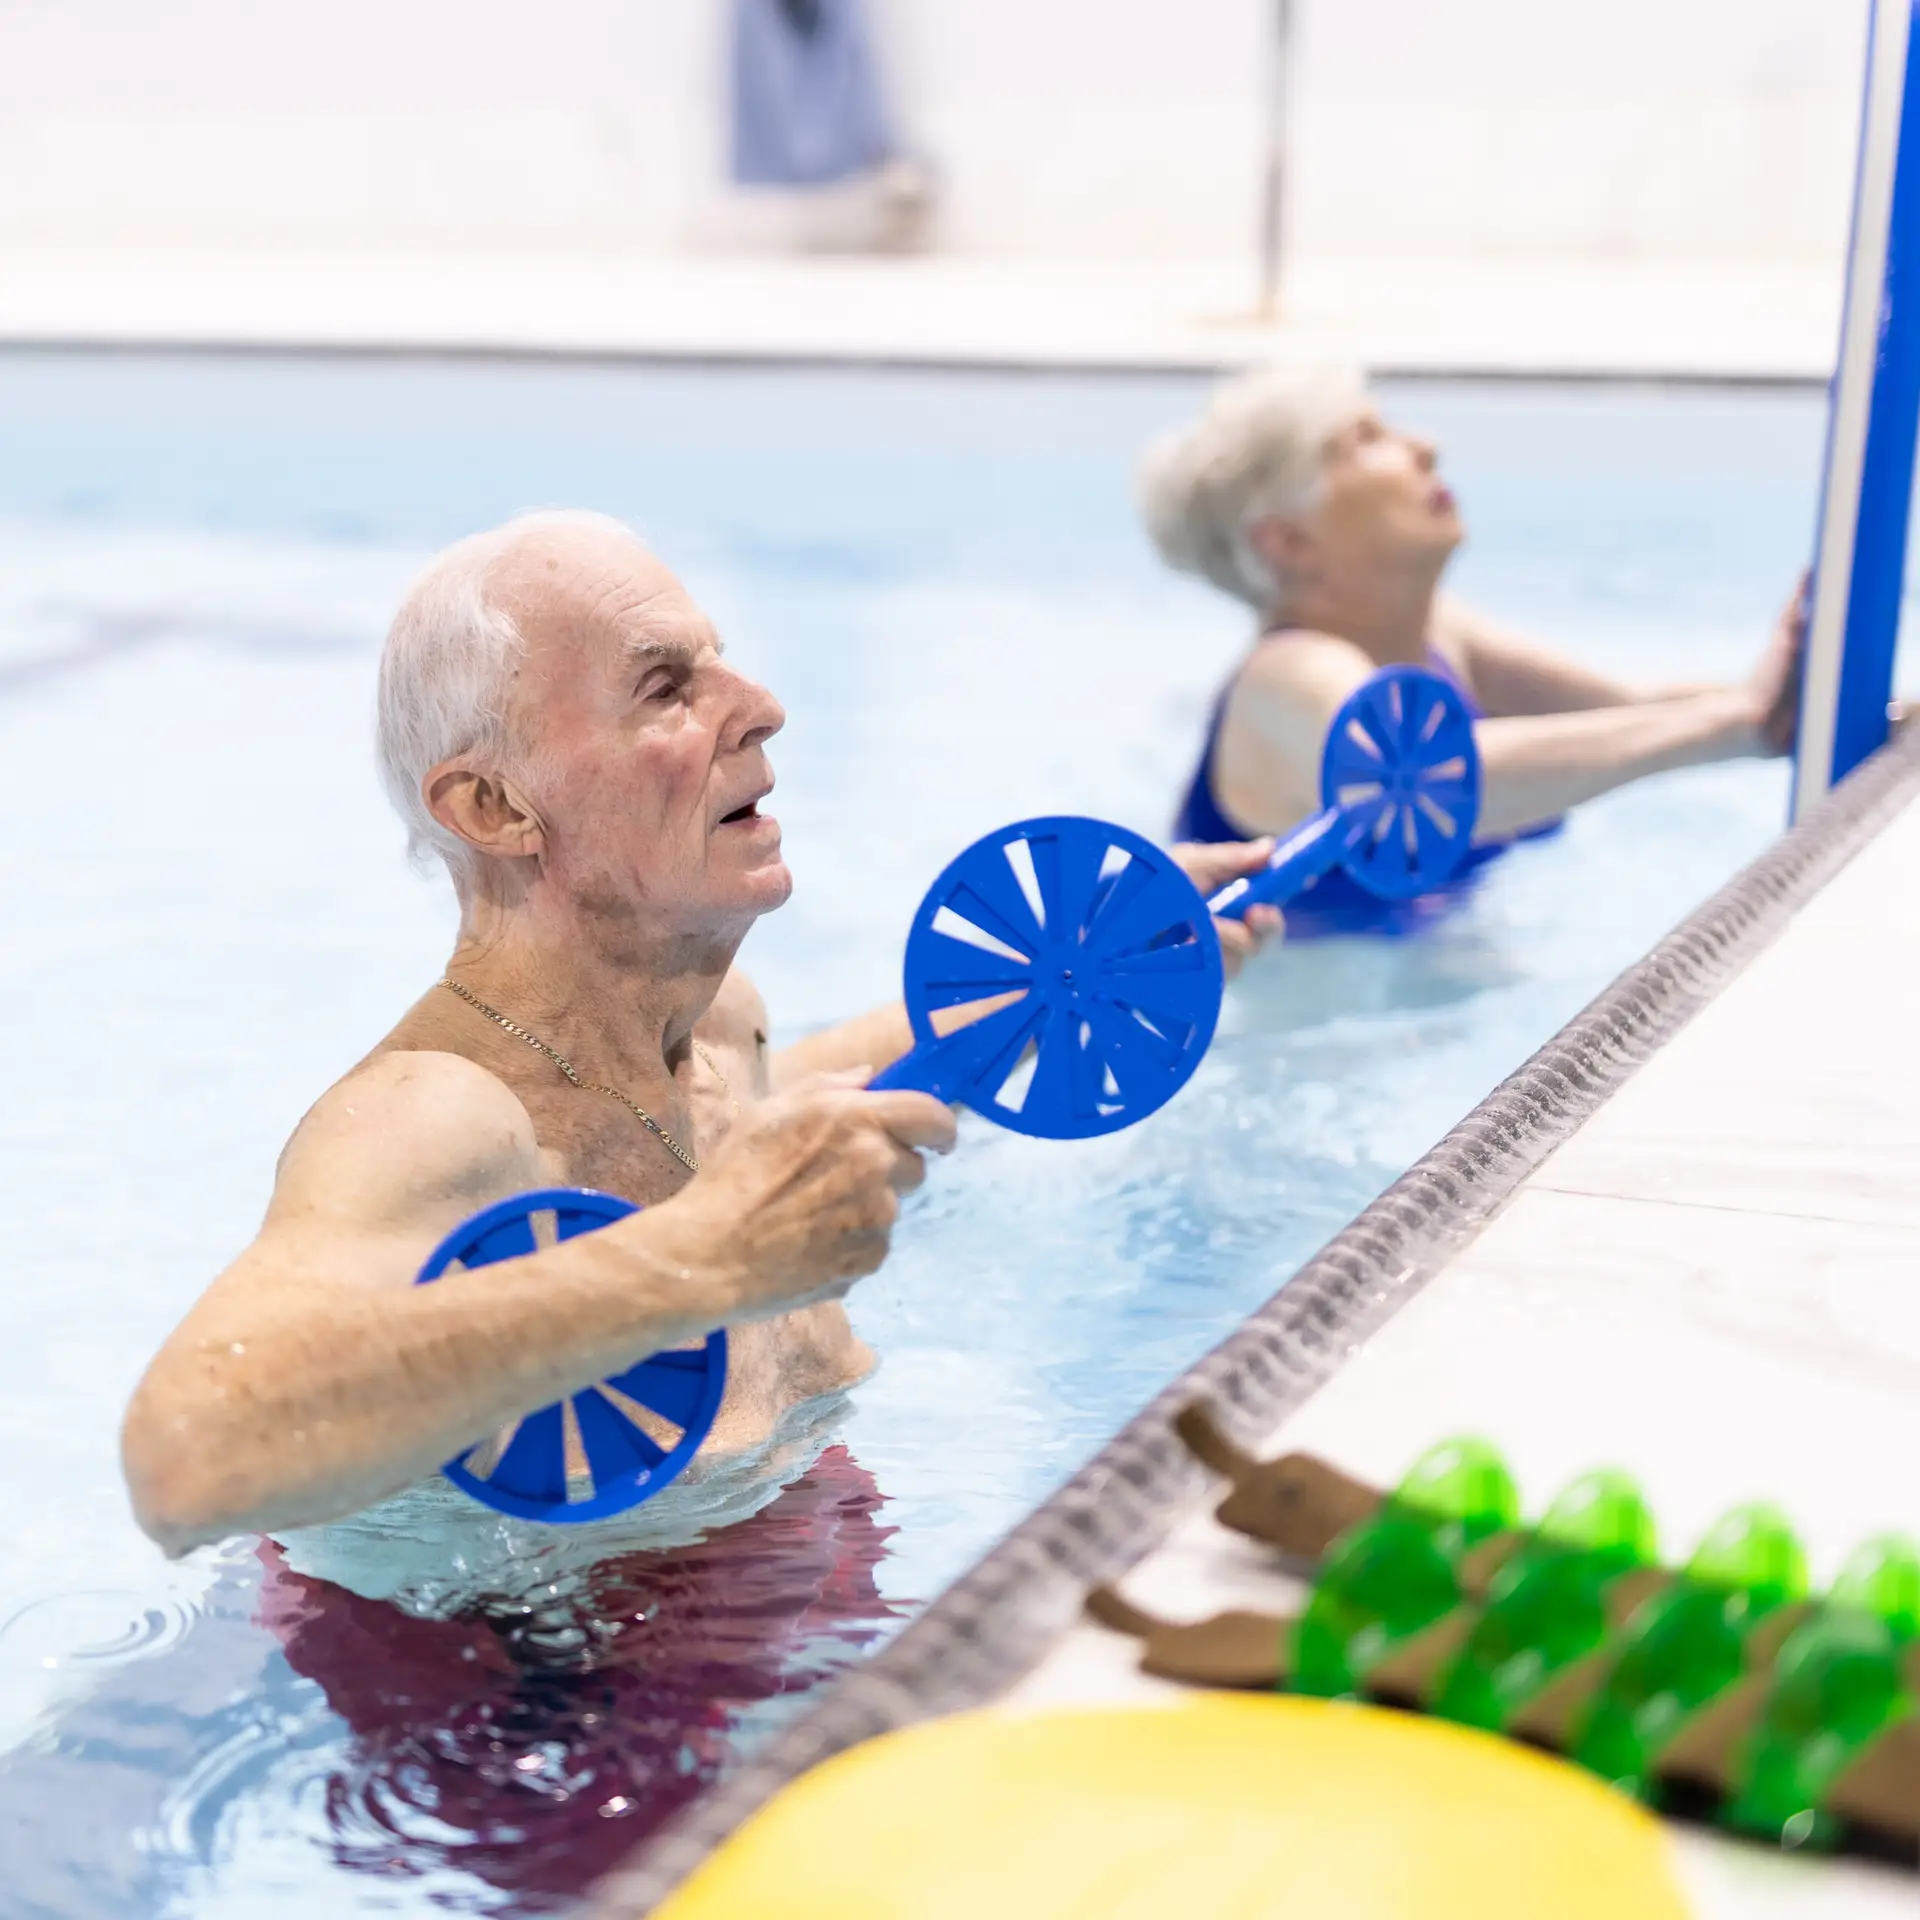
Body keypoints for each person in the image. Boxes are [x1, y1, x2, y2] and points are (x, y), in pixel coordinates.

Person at [120, 510, 1277, 1561]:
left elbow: (824, 1102)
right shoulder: (433, 1122)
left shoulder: (713, 1034)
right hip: (527, 1731)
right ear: (496, 808)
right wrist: (700, 1261)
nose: (761, 704)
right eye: (666, 687)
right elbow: (185, 1460)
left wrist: (1066, 969)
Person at [1141, 360, 1806, 935]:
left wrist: (1806, 688)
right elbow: (1427, 777)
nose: (1425, 447)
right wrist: (1742, 724)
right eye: (1365, 439)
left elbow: (1633, 707)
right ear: (1286, 542)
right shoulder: (1284, 675)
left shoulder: (1438, 634)